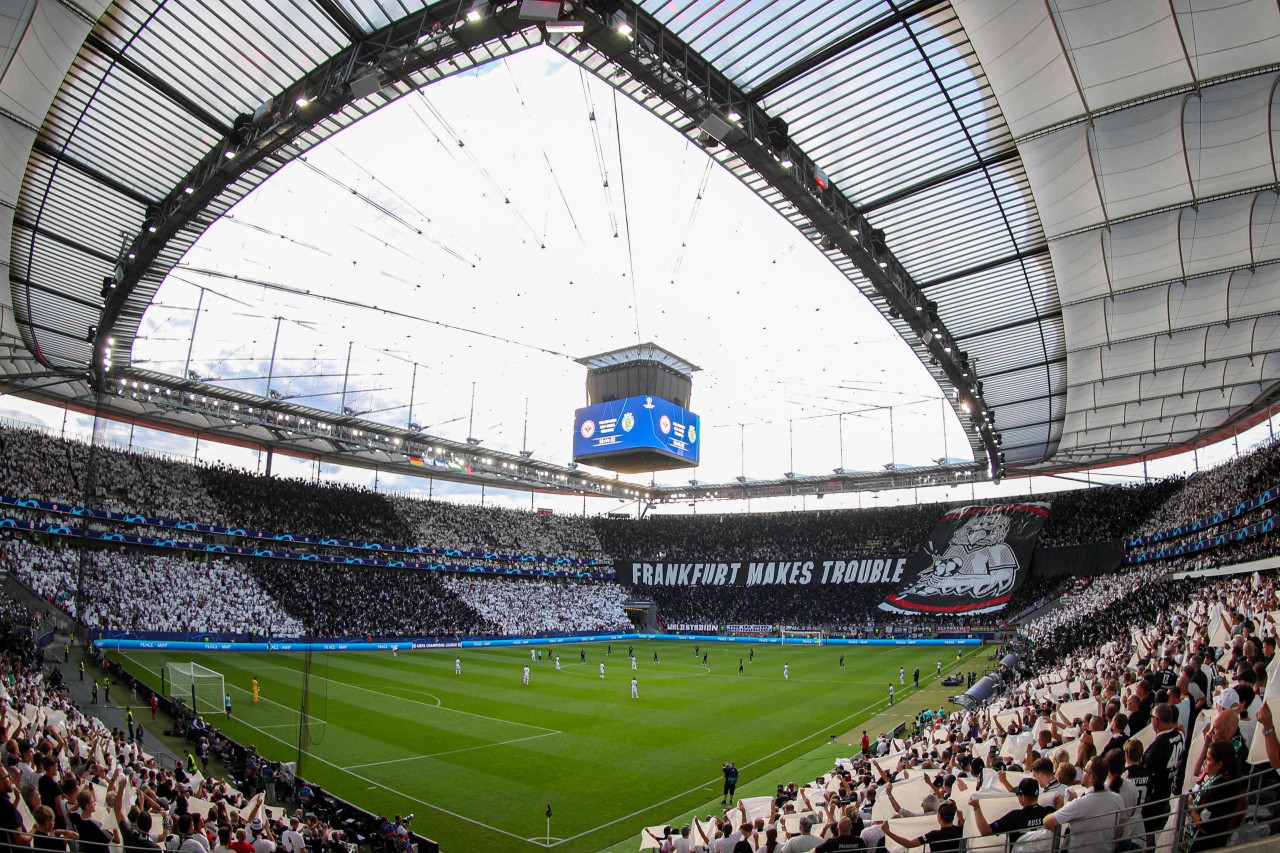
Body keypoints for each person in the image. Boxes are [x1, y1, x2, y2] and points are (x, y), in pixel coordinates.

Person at [1043, 757, 1125, 852]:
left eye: (1084, 770)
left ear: (1091, 778)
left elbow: (1047, 821)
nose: (1082, 773)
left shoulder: (1079, 804)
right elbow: (1120, 831)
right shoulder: (1117, 799)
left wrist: (1061, 806)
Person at [1182, 740, 1244, 852]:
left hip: (1206, 844)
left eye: (1209, 759)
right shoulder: (1214, 776)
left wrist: (1190, 808)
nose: (1205, 762)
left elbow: (1205, 827)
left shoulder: (1221, 788)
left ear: (1220, 764)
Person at [970, 779, 1051, 845]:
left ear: (1023, 797)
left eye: (1018, 795)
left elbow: (985, 831)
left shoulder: (1014, 817)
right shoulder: (1049, 812)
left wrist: (976, 807)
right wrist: (1058, 806)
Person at [882, 800, 962, 852]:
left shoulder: (933, 835)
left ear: (939, 817)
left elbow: (909, 844)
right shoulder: (961, 830)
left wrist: (888, 833)